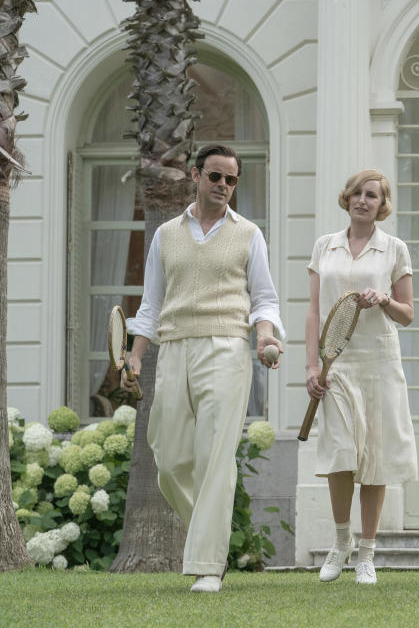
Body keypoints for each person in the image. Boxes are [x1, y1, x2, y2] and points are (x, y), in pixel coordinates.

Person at [121, 143, 285, 593]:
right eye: (216, 177)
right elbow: (151, 303)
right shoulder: (166, 235)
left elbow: (264, 296)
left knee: (216, 456)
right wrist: (136, 353)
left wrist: (265, 335)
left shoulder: (249, 233)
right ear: (195, 176)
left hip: (227, 348)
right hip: (173, 348)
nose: (224, 186)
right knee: (169, 460)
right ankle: (211, 538)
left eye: (231, 180)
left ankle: (208, 566)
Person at [306, 169, 417, 585]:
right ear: (346, 198)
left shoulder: (394, 249)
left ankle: (367, 553)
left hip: (380, 364)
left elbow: (408, 314)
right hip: (336, 366)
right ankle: (341, 542)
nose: (362, 200)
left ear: (381, 204)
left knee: (375, 458)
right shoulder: (324, 247)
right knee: (339, 455)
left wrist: (385, 298)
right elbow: (314, 311)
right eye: (356, 193)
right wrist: (312, 366)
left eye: (372, 195)